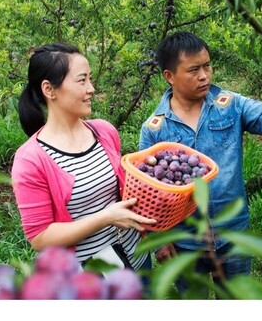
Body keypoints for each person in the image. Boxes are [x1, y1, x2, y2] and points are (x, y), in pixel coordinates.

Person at [139, 31, 262, 296]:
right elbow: (148, 193)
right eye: (194, 70)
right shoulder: (155, 129)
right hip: (186, 241)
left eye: (207, 66)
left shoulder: (230, 105)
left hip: (232, 234)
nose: (204, 76)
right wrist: (157, 243)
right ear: (169, 76)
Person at [11, 43, 157, 278]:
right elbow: (40, 237)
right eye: (81, 80)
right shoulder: (31, 159)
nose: (91, 89)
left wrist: (145, 171)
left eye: (90, 79)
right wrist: (105, 218)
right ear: (49, 89)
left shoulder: (103, 131)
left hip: (138, 259)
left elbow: (120, 189)